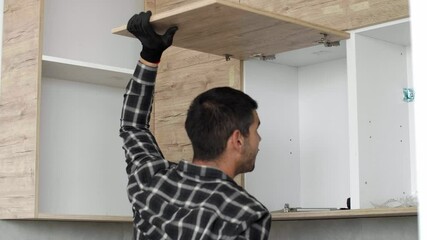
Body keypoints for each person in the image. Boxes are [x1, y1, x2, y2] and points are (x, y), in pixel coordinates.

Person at [120, 11, 271, 240]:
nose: (259, 139)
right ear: (237, 139)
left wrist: (150, 55)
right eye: (256, 130)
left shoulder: (150, 179)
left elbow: (133, 125)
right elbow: (133, 126)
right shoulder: (245, 214)